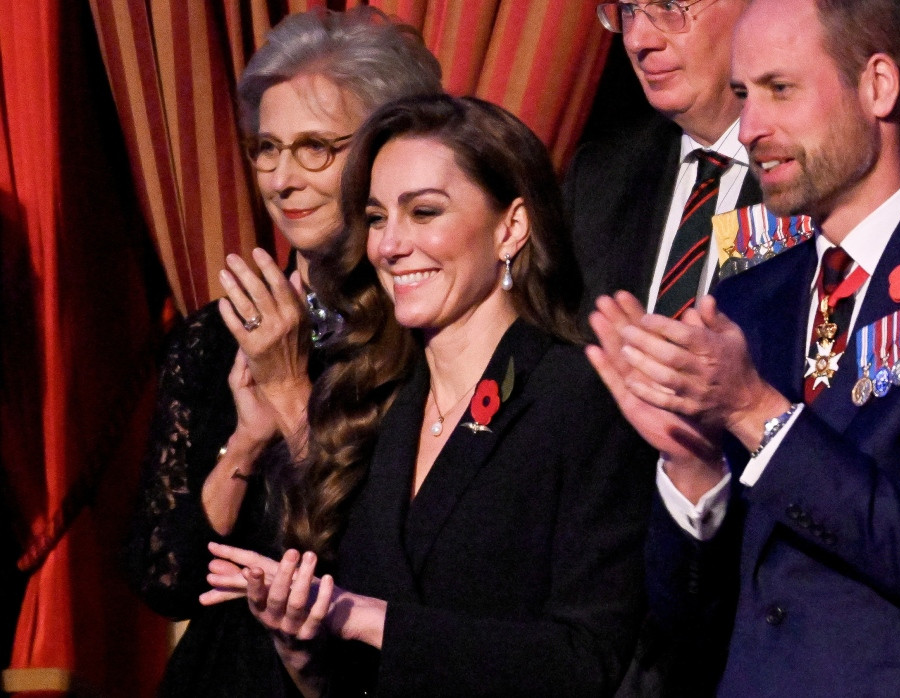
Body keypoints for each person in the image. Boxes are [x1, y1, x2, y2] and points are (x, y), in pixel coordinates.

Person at [587, 0, 900, 694]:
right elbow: (690, 616)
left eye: (779, 90)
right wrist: (692, 467)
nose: (751, 128)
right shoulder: (745, 301)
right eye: (742, 95)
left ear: (879, 85)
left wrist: (756, 412)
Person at [201, 94, 656, 697]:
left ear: (511, 227)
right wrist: (299, 640)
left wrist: (361, 616)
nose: (390, 245)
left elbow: (587, 659)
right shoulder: (372, 399)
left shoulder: (578, 397)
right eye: (378, 217)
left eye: (424, 212)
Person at [124, 8, 441, 696]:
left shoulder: (428, 334)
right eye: (267, 148)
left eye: (315, 148)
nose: (281, 179)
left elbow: (385, 573)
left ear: (389, 150)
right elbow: (164, 579)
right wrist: (243, 443)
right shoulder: (217, 336)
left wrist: (292, 389)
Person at [564, 0, 761, 320]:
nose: (636, 40)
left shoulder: (826, 175)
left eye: (668, 6)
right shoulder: (600, 176)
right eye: (628, 10)